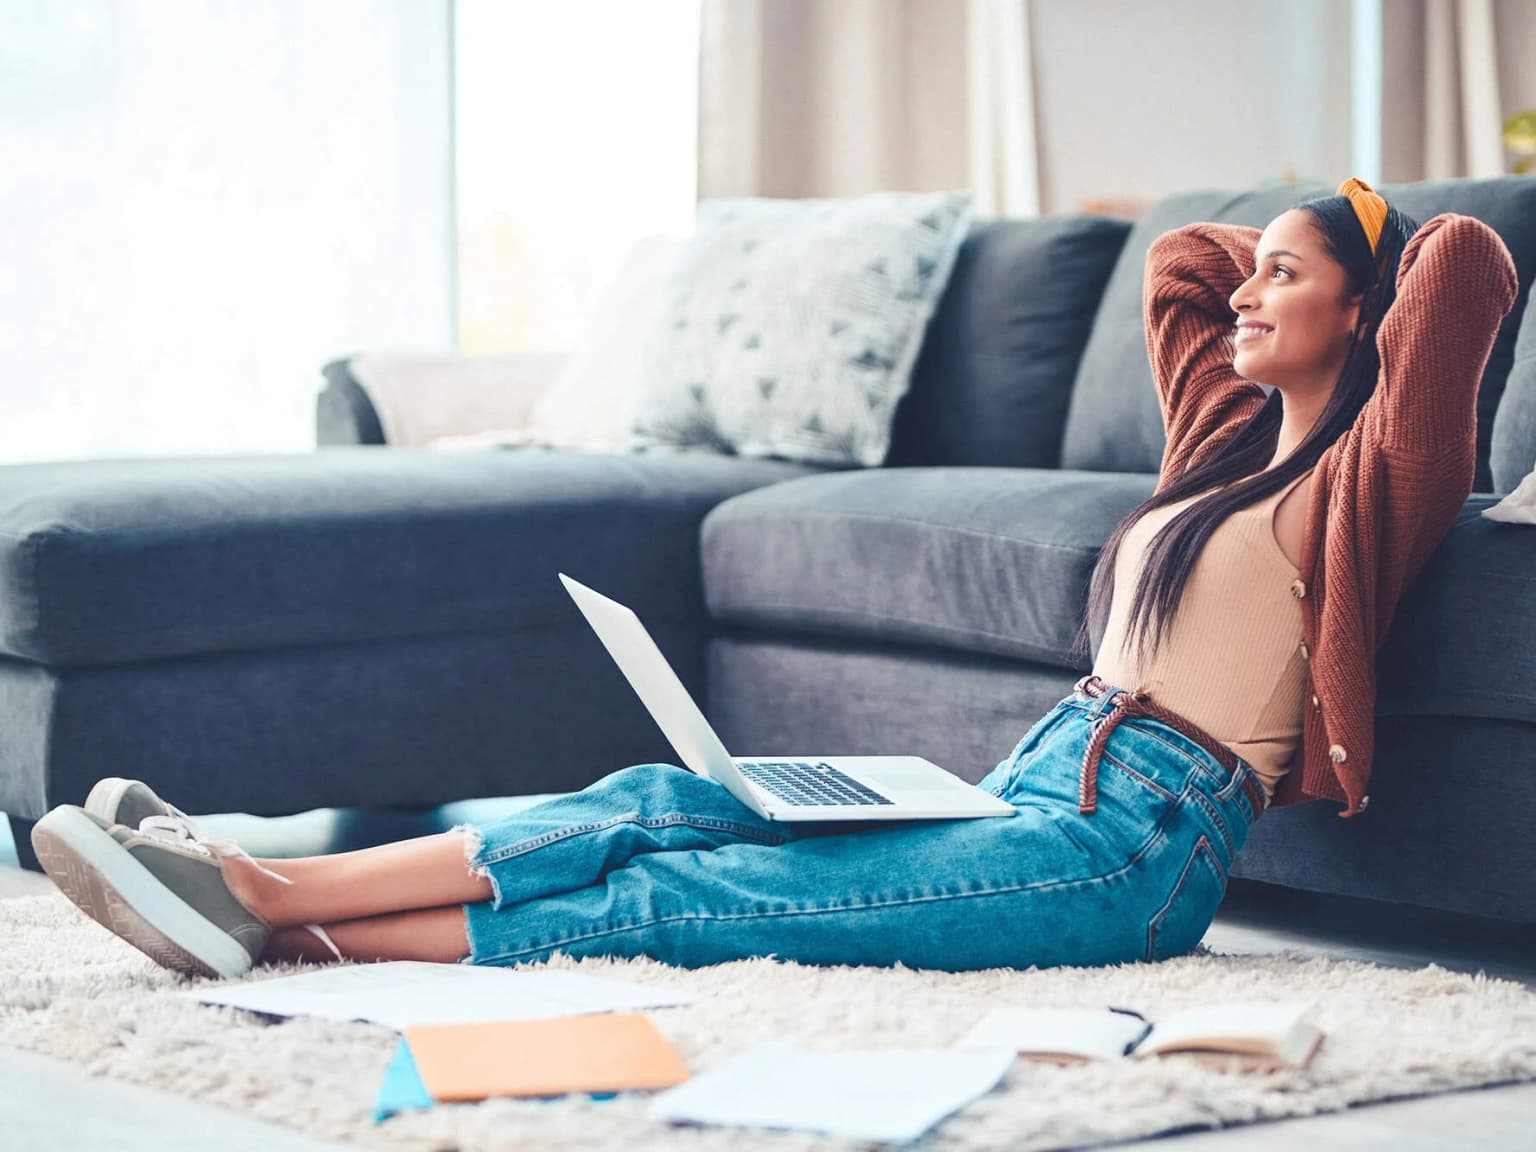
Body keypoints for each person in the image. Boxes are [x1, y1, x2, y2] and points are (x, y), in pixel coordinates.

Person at [29, 178, 1519, 982]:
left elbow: (1469, 270)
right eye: (1260, 269)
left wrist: (1368, 234)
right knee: (666, 799)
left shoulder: (1371, 482)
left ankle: (264, 923)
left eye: (1284, 275)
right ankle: (257, 876)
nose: (1242, 290)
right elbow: (1180, 268)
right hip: (1032, 780)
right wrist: (1295, 252)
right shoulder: (1220, 447)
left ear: (1365, 313)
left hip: (1131, 852)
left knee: (700, 893)